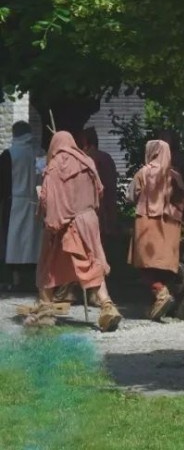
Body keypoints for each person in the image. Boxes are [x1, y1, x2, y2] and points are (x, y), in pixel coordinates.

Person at [23, 132, 122, 331]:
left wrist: (44, 206)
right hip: (88, 219)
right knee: (92, 262)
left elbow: (48, 200)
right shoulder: (87, 161)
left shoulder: (55, 166)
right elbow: (99, 190)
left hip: (65, 224)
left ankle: (45, 310)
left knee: (47, 265)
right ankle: (107, 305)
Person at [127, 140, 184, 321]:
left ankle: (161, 293)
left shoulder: (144, 172)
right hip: (171, 225)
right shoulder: (175, 176)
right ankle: (160, 299)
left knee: (144, 264)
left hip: (148, 223)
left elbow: (131, 196)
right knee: (164, 266)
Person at [1, 122, 43, 291]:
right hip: (36, 201)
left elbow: (2, 183)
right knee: (33, 241)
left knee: (13, 240)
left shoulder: (9, 154)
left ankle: (15, 278)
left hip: (15, 202)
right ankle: (35, 279)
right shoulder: (39, 153)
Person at [79, 127, 118, 238]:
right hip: (105, 201)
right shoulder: (107, 158)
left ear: (85, 141)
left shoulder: (85, 158)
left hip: (90, 204)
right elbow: (112, 184)